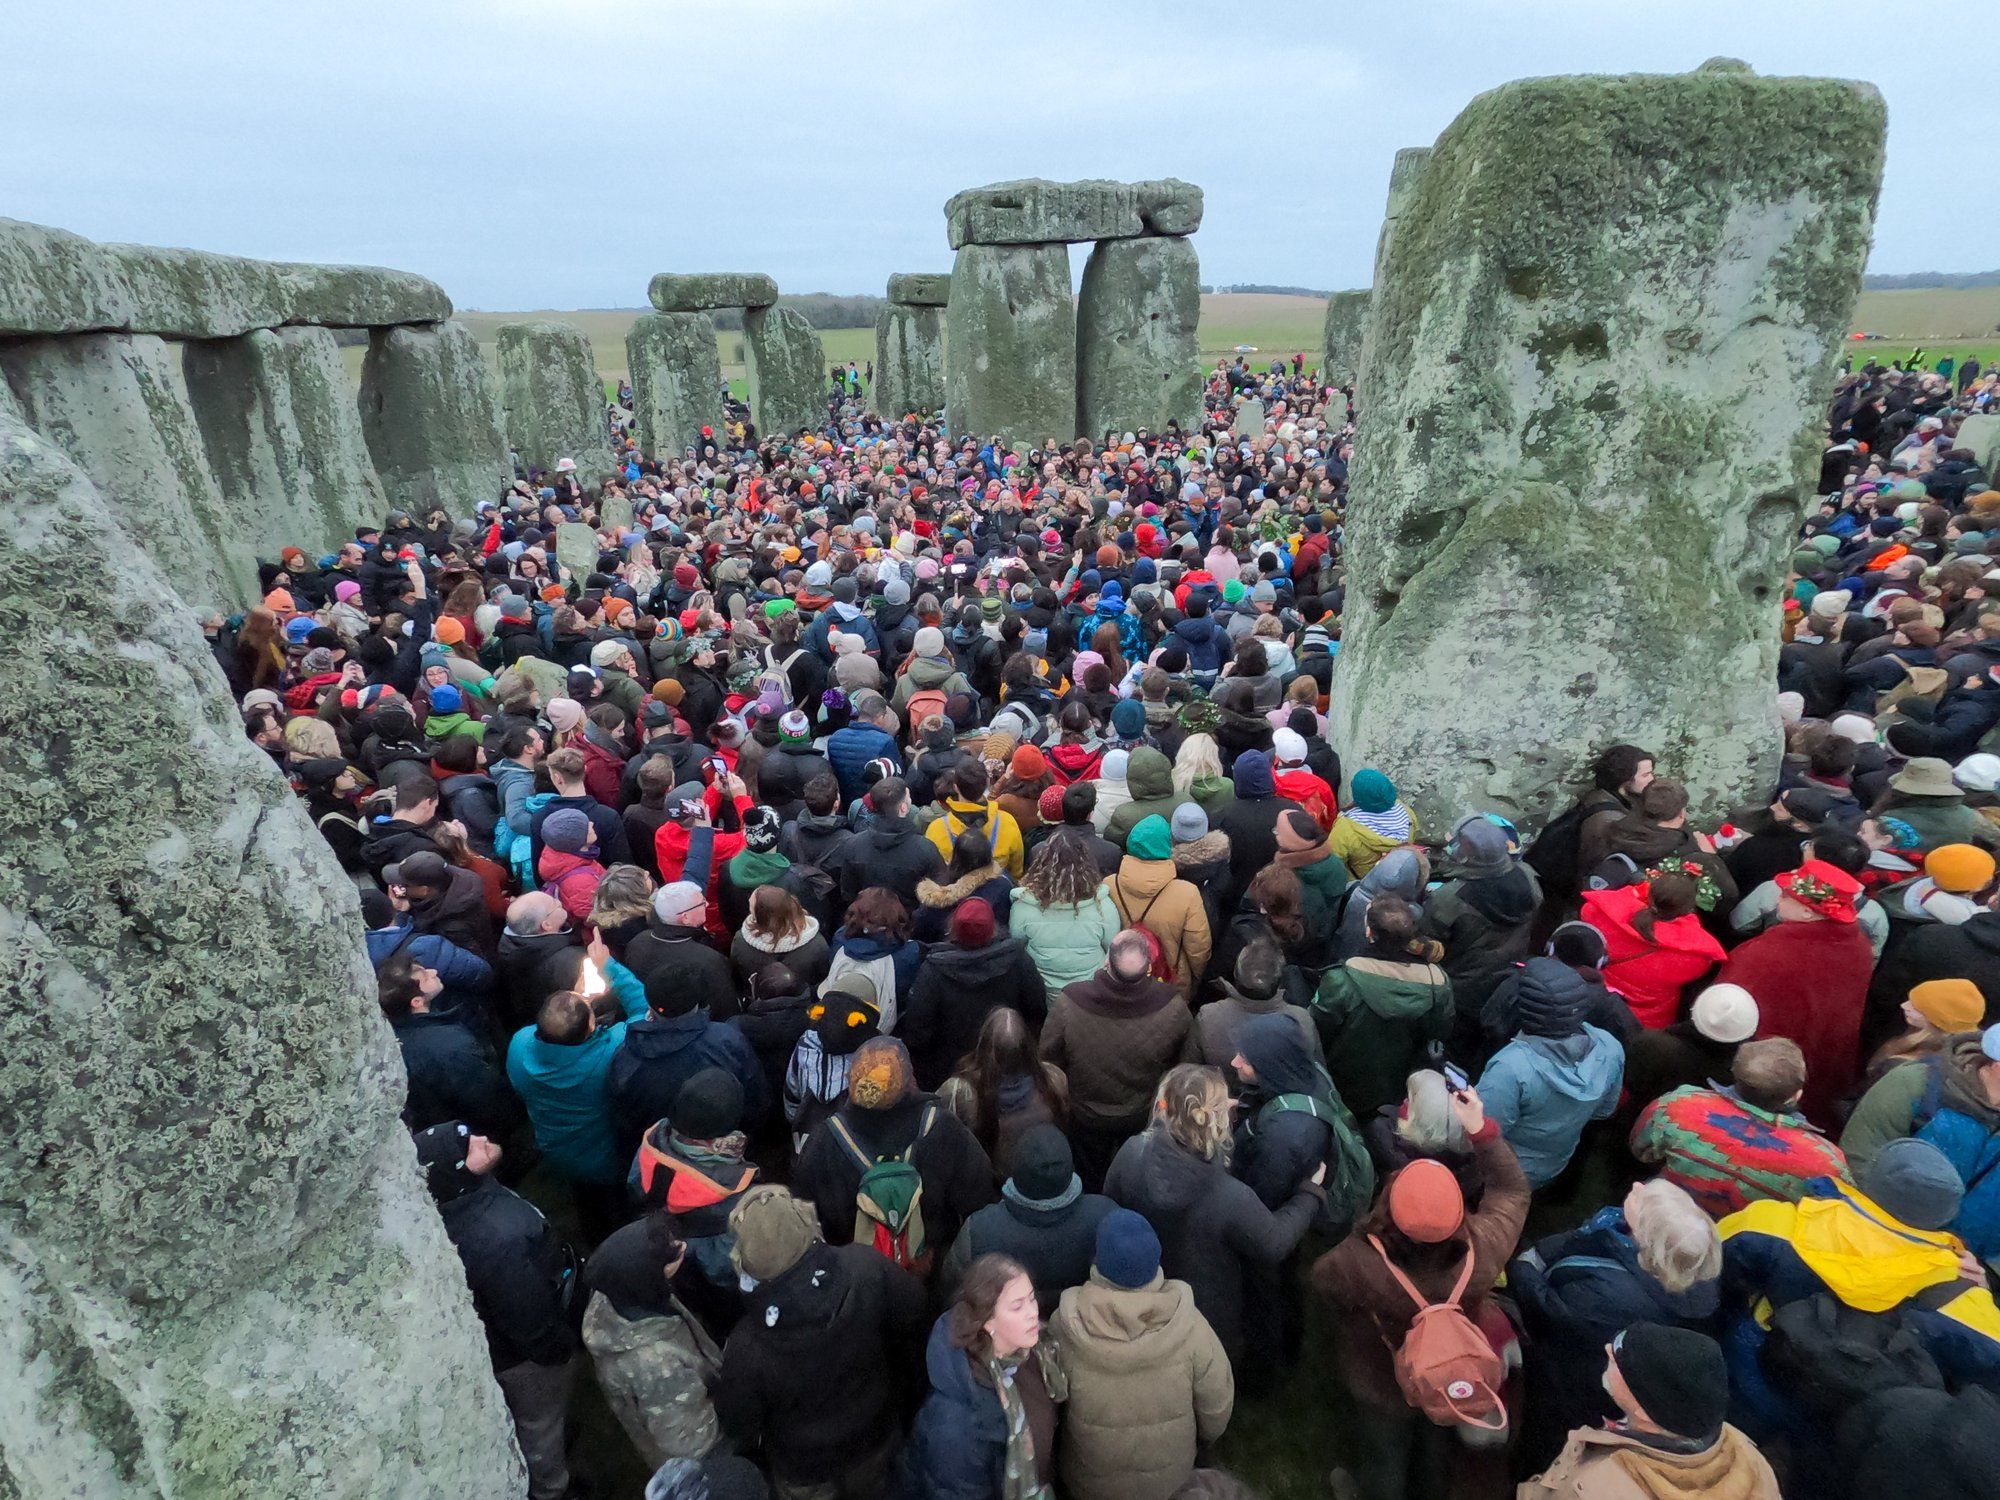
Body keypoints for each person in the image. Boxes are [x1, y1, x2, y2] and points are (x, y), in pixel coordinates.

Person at [1313, 1086, 1528, 1500]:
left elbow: (1323, 1283)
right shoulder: (1483, 1249)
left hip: (1380, 1375)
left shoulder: (1358, 1261)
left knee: (1385, 1453)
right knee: (1436, 1434)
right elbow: (1512, 1190)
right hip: (1450, 1366)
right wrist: (1480, 1130)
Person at [1105, 1064, 1327, 1368]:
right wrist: (1309, 1194)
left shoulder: (1132, 1151)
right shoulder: (1230, 1195)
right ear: (1215, 1121)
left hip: (1146, 1283)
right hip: (1207, 1303)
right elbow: (1273, 1243)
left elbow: (1110, 1206)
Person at [713, 1185, 927, 1499]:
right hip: (876, 1434)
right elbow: (915, 1307)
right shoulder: (864, 1267)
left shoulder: (746, 1348)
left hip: (806, 1471)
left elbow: (740, 1423)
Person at [1509, 1180, 1724, 1478]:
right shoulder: (1694, 1267)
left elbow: (1547, 1311)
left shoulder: (1609, 1297)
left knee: (1549, 1439)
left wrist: (1524, 1266)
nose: (1636, 1186)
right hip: (1613, 1381)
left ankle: (1530, 1478)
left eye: (1648, 1207)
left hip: (1574, 1380)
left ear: (1647, 1240)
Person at [414, 1122, 580, 1500]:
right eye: (466, 1149)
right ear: (453, 1176)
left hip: (502, 1339)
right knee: (541, 1422)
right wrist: (559, 1349)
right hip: (525, 1360)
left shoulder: (460, 1202)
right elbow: (529, 1321)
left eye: (468, 1136)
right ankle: (550, 1487)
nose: (482, 1140)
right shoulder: (495, 1241)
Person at [1046, 1210, 1236, 1500]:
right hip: (1173, 1485)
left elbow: (1051, 1404)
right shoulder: (1192, 1327)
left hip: (1092, 1486)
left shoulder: (1066, 1325)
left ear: (1099, 1261)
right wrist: (1204, 1439)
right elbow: (1217, 1409)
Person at [790, 1037, 995, 1267]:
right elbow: (981, 1198)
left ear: (853, 1083)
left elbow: (803, 1221)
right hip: (932, 1269)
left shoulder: (823, 1141)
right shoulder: (943, 1128)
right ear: (910, 1081)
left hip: (858, 1277)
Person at [1518, 1324, 1779, 1500]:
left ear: (1643, 1409)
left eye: (1619, 1358)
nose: (1609, 1348)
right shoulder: (1750, 1456)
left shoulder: (1595, 1487)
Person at [1715, 857, 1875, 1128]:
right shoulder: (1858, 945)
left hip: (1765, 1064)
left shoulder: (1766, 953)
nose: (1777, 900)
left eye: (1786, 897)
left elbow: (1723, 1002)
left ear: (1808, 913)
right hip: (1823, 1061)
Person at [1041, 930, 1197, 1189]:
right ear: (1148, 967)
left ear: (1106, 962)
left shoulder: (1070, 1000)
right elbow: (1184, 1064)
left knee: (1090, 1174)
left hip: (1086, 1114)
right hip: (1142, 1113)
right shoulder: (1173, 1005)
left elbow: (1048, 1057)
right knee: (1135, 1175)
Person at [1632, 1038, 1850, 1217]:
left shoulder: (1678, 1105)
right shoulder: (1826, 1162)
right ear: (1797, 1094)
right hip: (1744, 1255)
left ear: (1735, 1073)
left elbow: (1640, 1150)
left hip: (1662, 1219)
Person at [906, 1253, 1061, 1500]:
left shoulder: (1034, 1352)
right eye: (1017, 1306)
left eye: (1032, 1299)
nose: (1033, 1312)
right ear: (988, 1322)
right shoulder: (957, 1423)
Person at [581, 1212, 726, 1469]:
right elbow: (689, 1442)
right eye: (673, 1253)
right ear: (647, 1273)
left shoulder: (618, 1293)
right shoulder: (656, 1367)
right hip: (702, 1455)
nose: (684, 1248)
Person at [1476, 956, 1625, 1189]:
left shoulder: (1510, 1067)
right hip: (1555, 1161)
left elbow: (1484, 1131)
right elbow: (1605, 1110)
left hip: (1501, 1171)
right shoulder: (1610, 1047)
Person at [939, 1124, 1114, 1316]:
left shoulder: (979, 1230)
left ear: (1015, 1170)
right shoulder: (1108, 1217)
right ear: (1071, 1168)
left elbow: (953, 1292)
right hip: (1083, 1327)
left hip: (1007, 1338)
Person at [1312, 893, 1454, 1121]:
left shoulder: (1342, 980)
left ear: (1369, 932)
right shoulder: (1439, 982)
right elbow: (1441, 1031)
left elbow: (1318, 1028)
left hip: (1345, 1082)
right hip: (1402, 1086)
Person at [505, 975, 649, 1192]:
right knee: (612, 1202)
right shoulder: (610, 1054)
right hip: (605, 1155)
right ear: (591, 1025)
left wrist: (579, 1000)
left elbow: (558, 1023)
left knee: (581, 1195)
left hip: (554, 1146)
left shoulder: (519, 1044)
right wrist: (607, 966)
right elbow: (643, 1012)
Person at [609, 965, 768, 1159]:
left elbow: (624, 1115)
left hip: (659, 1151)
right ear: (697, 1003)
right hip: (722, 1143)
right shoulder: (727, 1040)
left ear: (649, 1005)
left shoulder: (626, 1057)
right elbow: (754, 1093)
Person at [900, 898, 1047, 1089]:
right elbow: (1037, 1009)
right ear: (993, 926)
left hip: (949, 1073)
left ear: (953, 927)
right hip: (1005, 1065)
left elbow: (917, 1032)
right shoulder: (1018, 959)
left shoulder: (933, 970)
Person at [377, 953, 518, 1138]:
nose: (434, 971)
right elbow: (486, 1099)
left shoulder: (399, 1031)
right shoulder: (449, 1046)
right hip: (480, 1131)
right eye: (426, 977)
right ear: (417, 1002)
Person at [1423, 815, 1541, 1021]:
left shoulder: (1449, 900)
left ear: (1467, 857)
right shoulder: (1528, 876)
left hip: (1460, 985)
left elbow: (1429, 944)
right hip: (1506, 975)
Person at [1580, 866, 1726, 1030]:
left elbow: (1587, 913)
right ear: (1688, 910)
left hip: (1589, 995)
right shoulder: (1696, 955)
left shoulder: (1598, 912)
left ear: (1648, 892)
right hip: (1642, 1021)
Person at [1104, 814, 1213, 1002]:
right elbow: (1198, 948)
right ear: (1166, 846)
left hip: (1122, 981)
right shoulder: (1187, 893)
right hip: (1170, 983)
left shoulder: (1109, 884)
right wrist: (1195, 979)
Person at [1009, 830, 1122, 1000]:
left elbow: (1017, 944)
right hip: (1088, 995)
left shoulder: (1023, 905)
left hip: (1041, 992)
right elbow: (1111, 948)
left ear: (1042, 862)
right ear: (1086, 863)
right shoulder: (1103, 905)